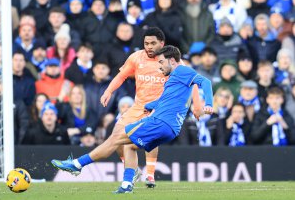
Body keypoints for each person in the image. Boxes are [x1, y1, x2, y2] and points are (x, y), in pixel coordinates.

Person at [51, 45, 213, 193]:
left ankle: (77, 164)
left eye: (162, 62)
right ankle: (127, 185)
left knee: (115, 139)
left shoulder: (181, 70)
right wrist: (150, 105)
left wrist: (209, 104)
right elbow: (166, 101)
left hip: (159, 122)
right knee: (129, 147)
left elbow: (205, 82)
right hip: (170, 129)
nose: (159, 66)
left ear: (172, 60)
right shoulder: (174, 79)